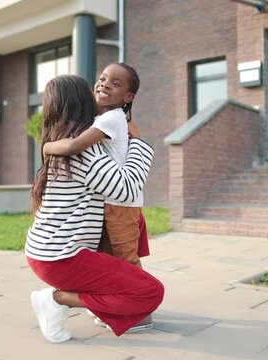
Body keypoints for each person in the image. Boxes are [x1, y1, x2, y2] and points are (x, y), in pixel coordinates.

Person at [26, 75, 164, 344]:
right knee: (150, 292)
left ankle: (94, 306)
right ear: (81, 101)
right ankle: (56, 300)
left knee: (134, 288)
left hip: (46, 253)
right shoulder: (83, 151)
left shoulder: (59, 145)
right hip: (63, 259)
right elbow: (126, 188)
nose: (97, 92)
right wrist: (139, 142)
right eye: (90, 90)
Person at [43, 62, 147, 269]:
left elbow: (74, 145)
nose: (105, 84)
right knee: (112, 259)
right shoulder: (105, 118)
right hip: (115, 201)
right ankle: (124, 295)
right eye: (102, 79)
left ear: (128, 97)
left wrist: (47, 147)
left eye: (115, 83)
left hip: (120, 204)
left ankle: (139, 292)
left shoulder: (110, 118)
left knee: (126, 261)